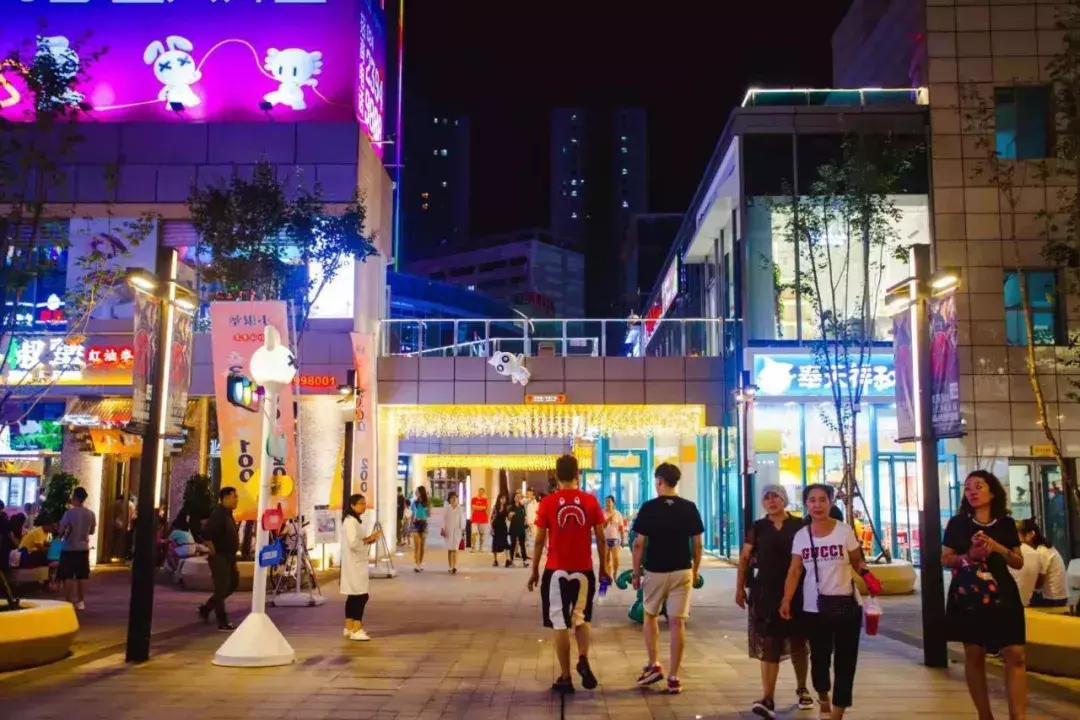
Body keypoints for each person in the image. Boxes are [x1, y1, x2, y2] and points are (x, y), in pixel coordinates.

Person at [781, 484, 881, 720]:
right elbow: (795, 570)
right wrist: (786, 600)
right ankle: (823, 697)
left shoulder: (844, 531)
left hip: (847, 604)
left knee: (846, 661)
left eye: (822, 500)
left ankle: (837, 713)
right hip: (814, 608)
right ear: (806, 505)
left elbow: (857, 561)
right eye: (812, 500)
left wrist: (868, 577)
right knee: (819, 659)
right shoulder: (802, 536)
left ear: (830, 502)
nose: (817, 505)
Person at [943, 470, 1027, 720]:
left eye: (978, 486)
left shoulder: (1006, 524)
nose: (972, 492)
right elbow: (945, 559)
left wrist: (997, 547)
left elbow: (1018, 562)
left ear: (992, 492)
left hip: (1003, 594)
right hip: (969, 595)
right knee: (974, 653)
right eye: (968, 488)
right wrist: (969, 556)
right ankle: (985, 715)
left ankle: (1018, 717)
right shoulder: (957, 524)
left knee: (1015, 654)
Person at [528, 454, 610, 694]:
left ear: (556, 475)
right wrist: (604, 567)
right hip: (584, 570)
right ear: (578, 474)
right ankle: (583, 656)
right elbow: (601, 537)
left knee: (559, 622)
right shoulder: (590, 501)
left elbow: (540, 539)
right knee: (581, 618)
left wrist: (534, 570)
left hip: (556, 570)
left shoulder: (548, 502)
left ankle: (565, 677)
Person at [736, 485, 814, 717]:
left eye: (775, 497)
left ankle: (802, 689)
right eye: (767, 498)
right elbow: (744, 558)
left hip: (798, 591)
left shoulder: (800, 525)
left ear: (784, 500)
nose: (771, 501)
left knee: (799, 642)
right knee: (769, 643)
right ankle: (767, 697)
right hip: (766, 592)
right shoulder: (758, 528)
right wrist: (739, 588)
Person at [631, 463, 704, 695]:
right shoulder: (689, 508)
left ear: (659, 481)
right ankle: (674, 677)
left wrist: (635, 572)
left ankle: (654, 664)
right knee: (677, 623)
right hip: (682, 570)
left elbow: (638, 543)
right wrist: (695, 569)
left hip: (655, 571)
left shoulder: (649, 508)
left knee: (650, 615)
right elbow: (697, 544)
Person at [198, 487, 240, 631]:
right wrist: (212, 550)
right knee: (221, 588)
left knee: (233, 584)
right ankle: (222, 621)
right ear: (226, 498)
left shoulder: (228, 514)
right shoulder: (219, 514)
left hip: (229, 557)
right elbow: (206, 534)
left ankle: (206, 608)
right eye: (235, 497)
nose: (237, 500)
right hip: (220, 557)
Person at [340, 493, 380, 641]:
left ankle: (349, 626)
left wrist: (370, 539)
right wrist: (369, 539)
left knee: (353, 595)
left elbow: (357, 541)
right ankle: (356, 629)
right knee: (361, 595)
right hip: (355, 563)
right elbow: (353, 543)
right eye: (361, 503)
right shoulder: (351, 522)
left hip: (355, 563)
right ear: (352, 505)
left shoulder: (352, 521)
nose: (364, 506)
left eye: (364, 503)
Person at [57, 487, 97, 610]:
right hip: (83, 547)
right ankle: (80, 601)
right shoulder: (90, 514)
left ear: (74, 497)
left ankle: (68, 601)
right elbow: (92, 531)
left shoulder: (69, 513)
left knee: (68, 575)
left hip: (69, 547)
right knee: (82, 575)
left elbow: (61, 530)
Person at [1018, 518, 1069, 608]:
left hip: (1053, 599)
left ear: (1031, 534)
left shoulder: (1042, 551)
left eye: (1019, 535)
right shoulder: (1044, 548)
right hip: (1058, 596)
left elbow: (1038, 584)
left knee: (1021, 600)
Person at [441, 491, 466, 574]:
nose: (454, 499)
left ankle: (454, 566)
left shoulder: (459, 509)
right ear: (449, 499)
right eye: (452, 498)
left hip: (457, 531)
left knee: (455, 549)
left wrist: (462, 529)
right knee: (450, 549)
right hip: (448, 530)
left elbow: (462, 520)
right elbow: (444, 519)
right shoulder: (447, 508)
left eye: (455, 498)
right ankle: (450, 566)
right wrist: (443, 528)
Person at [602, 496, 625, 579]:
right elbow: (602, 526)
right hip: (605, 539)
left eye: (609, 501)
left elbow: (621, 528)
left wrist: (623, 539)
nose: (607, 503)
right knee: (606, 559)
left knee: (616, 559)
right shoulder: (602, 513)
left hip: (615, 539)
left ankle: (615, 572)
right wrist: (608, 519)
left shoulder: (618, 514)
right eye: (606, 502)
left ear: (613, 503)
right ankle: (608, 576)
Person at [411, 486, 430, 572]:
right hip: (416, 524)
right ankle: (417, 564)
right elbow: (412, 514)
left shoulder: (427, 502)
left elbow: (428, 514)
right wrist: (410, 525)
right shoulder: (414, 502)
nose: (416, 493)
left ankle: (420, 563)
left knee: (422, 546)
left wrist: (427, 507)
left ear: (421, 492)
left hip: (424, 524)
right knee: (417, 545)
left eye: (417, 491)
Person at [508, 491, 529, 566]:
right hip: (513, 527)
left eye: (519, 497)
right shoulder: (511, 507)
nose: (518, 498)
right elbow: (509, 519)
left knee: (522, 544)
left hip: (521, 527)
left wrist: (526, 521)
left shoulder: (522, 506)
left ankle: (524, 561)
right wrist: (510, 515)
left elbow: (525, 515)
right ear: (513, 498)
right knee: (513, 544)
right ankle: (511, 560)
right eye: (516, 496)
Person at [491, 494, 512, 567]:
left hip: (503, 527)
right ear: (499, 499)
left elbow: (508, 519)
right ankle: (495, 560)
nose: (503, 500)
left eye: (504, 499)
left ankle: (507, 560)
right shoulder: (495, 507)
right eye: (502, 498)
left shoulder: (506, 508)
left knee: (505, 543)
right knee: (495, 543)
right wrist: (492, 529)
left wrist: (510, 516)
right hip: (496, 527)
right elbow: (492, 518)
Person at [470, 488, 490, 552]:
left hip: (483, 519)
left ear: (483, 493)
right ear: (478, 491)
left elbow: (485, 507)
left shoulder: (485, 500)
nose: (481, 493)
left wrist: (477, 507)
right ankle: (473, 547)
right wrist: (481, 508)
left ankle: (480, 548)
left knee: (482, 534)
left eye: (482, 492)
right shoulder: (474, 499)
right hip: (475, 518)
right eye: (480, 491)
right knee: (474, 533)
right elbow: (473, 507)